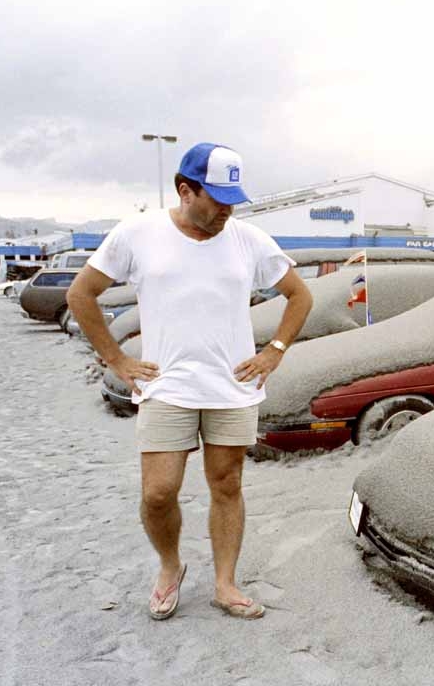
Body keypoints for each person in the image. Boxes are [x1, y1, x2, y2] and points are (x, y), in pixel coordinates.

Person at [68, 142, 313, 621]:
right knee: (158, 493)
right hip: (166, 387)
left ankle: (225, 584)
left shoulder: (250, 240)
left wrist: (274, 351)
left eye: (233, 199)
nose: (227, 209)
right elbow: (82, 294)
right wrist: (117, 359)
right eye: (217, 198)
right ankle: (170, 566)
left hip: (232, 387)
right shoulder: (137, 234)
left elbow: (298, 296)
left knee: (227, 484)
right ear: (185, 190)